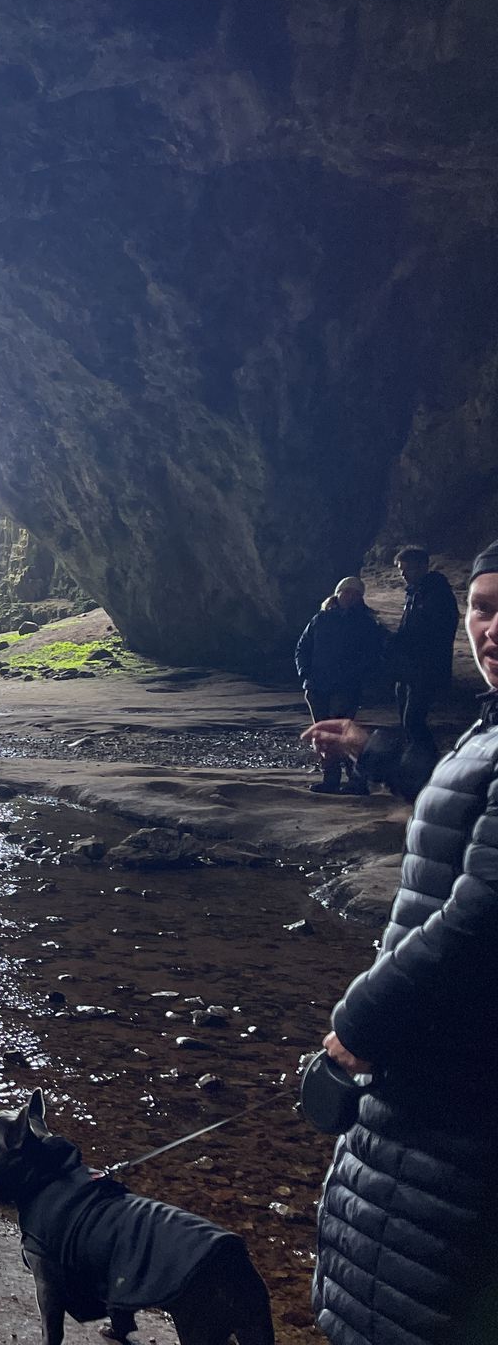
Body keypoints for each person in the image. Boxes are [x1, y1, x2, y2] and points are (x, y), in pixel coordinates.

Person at [300, 541, 498, 1345]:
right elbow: (465, 808)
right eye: (484, 607)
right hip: (436, 1068)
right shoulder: (488, 732)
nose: (493, 627)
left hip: (461, 1094)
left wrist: (359, 1023)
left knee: (420, 1296)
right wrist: (376, 749)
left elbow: (484, 915)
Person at [295, 577, 386, 794]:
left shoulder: (365, 623)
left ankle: (356, 781)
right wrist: (305, 674)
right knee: (322, 735)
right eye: (347, 592)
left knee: (343, 736)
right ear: (338, 593)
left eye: (356, 594)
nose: (350, 597)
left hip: (345, 687)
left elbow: (372, 655)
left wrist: (356, 677)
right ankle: (331, 779)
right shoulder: (321, 619)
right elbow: (302, 648)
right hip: (317, 685)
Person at [390, 546, 458, 757]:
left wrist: (404, 642)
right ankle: (416, 763)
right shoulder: (414, 594)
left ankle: (430, 762)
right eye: (401, 570)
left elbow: (437, 630)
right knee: (406, 719)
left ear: (422, 567)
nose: (402, 574)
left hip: (426, 667)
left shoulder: (436, 594)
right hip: (408, 667)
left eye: (406, 569)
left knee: (413, 720)